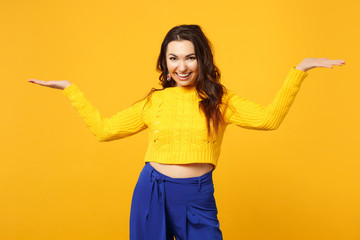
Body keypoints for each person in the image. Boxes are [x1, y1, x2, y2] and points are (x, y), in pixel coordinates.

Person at [28, 24, 345, 240]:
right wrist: (71, 90)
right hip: (151, 190)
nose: (182, 66)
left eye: (190, 57)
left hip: (196, 195)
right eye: (174, 58)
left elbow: (269, 119)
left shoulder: (219, 99)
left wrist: (299, 71)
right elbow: (103, 130)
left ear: (202, 59)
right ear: (165, 63)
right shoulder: (156, 101)